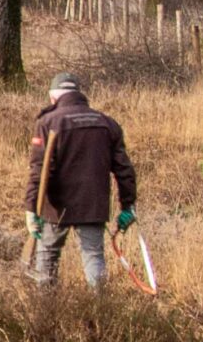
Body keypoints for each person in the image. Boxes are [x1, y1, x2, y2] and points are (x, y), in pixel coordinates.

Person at [24, 72, 138, 289]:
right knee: (94, 257)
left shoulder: (47, 122)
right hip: (92, 203)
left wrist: (31, 208)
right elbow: (124, 170)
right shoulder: (107, 123)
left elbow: (38, 171)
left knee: (47, 255)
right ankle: (100, 308)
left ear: (52, 98)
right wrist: (128, 205)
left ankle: (44, 311)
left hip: (55, 207)